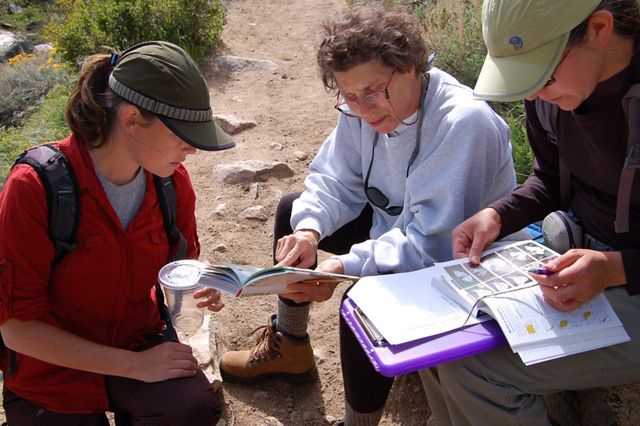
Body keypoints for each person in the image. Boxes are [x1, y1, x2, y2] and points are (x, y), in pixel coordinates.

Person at [220, 2, 515, 423]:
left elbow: (429, 242)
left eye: (373, 92)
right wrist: (309, 232)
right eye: (349, 97)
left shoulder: (462, 123)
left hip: (459, 260)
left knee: (362, 302)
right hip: (398, 233)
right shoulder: (364, 106)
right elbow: (336, 179)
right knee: (294, 212)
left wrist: (341, 266)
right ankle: (291, 346)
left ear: (411, 65)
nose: (363, 109)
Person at [421, 0, 640, 424]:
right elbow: (551, 178)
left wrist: (616, 269)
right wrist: (498, 215)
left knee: (475, 369)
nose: (535, 92)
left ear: (598, 28)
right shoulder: (551, 97)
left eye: (543, 74)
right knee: (437, 342)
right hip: (577, 255)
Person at [0, 41, 234, 425]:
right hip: (50, 369)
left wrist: (200, 286)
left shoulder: (172, 185)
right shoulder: (34, 188)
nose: (192, 148)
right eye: (181, 133)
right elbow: (17, 330)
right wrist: (135, 366)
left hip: (135, 337)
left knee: (190, 408)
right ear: (131, 119)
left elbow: (182, 266)